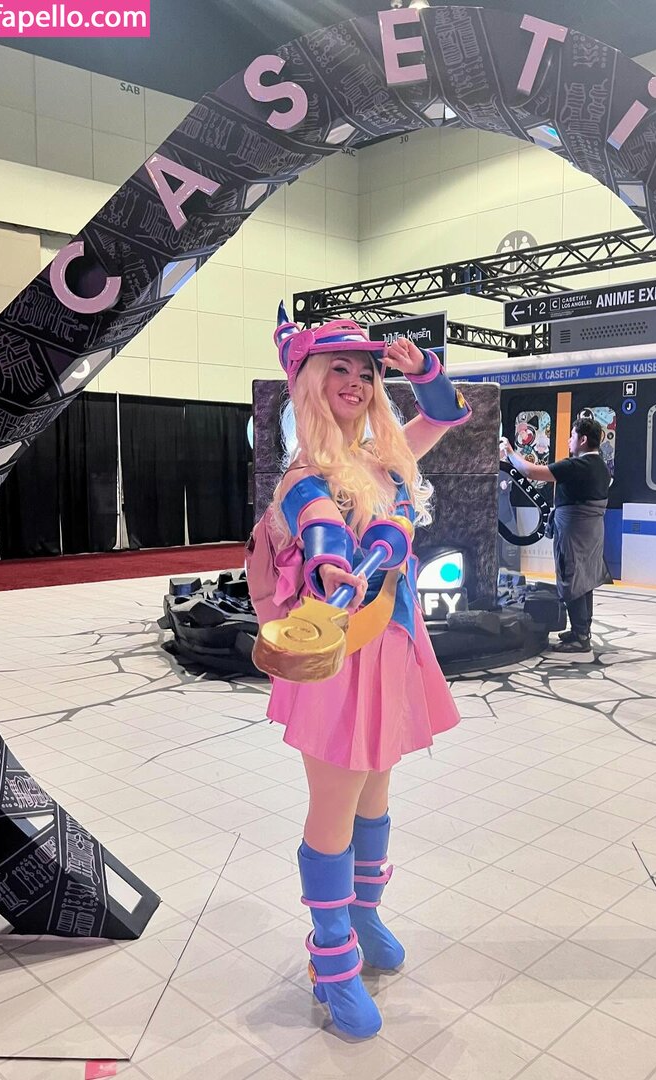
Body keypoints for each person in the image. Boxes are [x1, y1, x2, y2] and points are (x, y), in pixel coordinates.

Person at [250, 306, 470, 1039]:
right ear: (308, 381)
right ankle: (332, 956)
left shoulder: (384, 458)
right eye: (338, 367)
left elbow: (448, 414)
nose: (355, 380)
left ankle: (366, 915)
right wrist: (328, 562)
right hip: (338, 657)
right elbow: (317, 526)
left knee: (376, 791)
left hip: (391, 646)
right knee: (336, 802)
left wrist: (422, 369)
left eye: (366, 371)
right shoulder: (304, 476)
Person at [500, 414, 610, 655]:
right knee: (585, 579)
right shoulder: (601, 466)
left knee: (572, 578)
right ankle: (581, 630)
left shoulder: (577, 466)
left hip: (574, 533)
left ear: (582, 439)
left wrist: (509, 451)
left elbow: (530, 471)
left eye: (572, 436)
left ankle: (580, 638)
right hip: (591, 533)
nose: (569, 441)